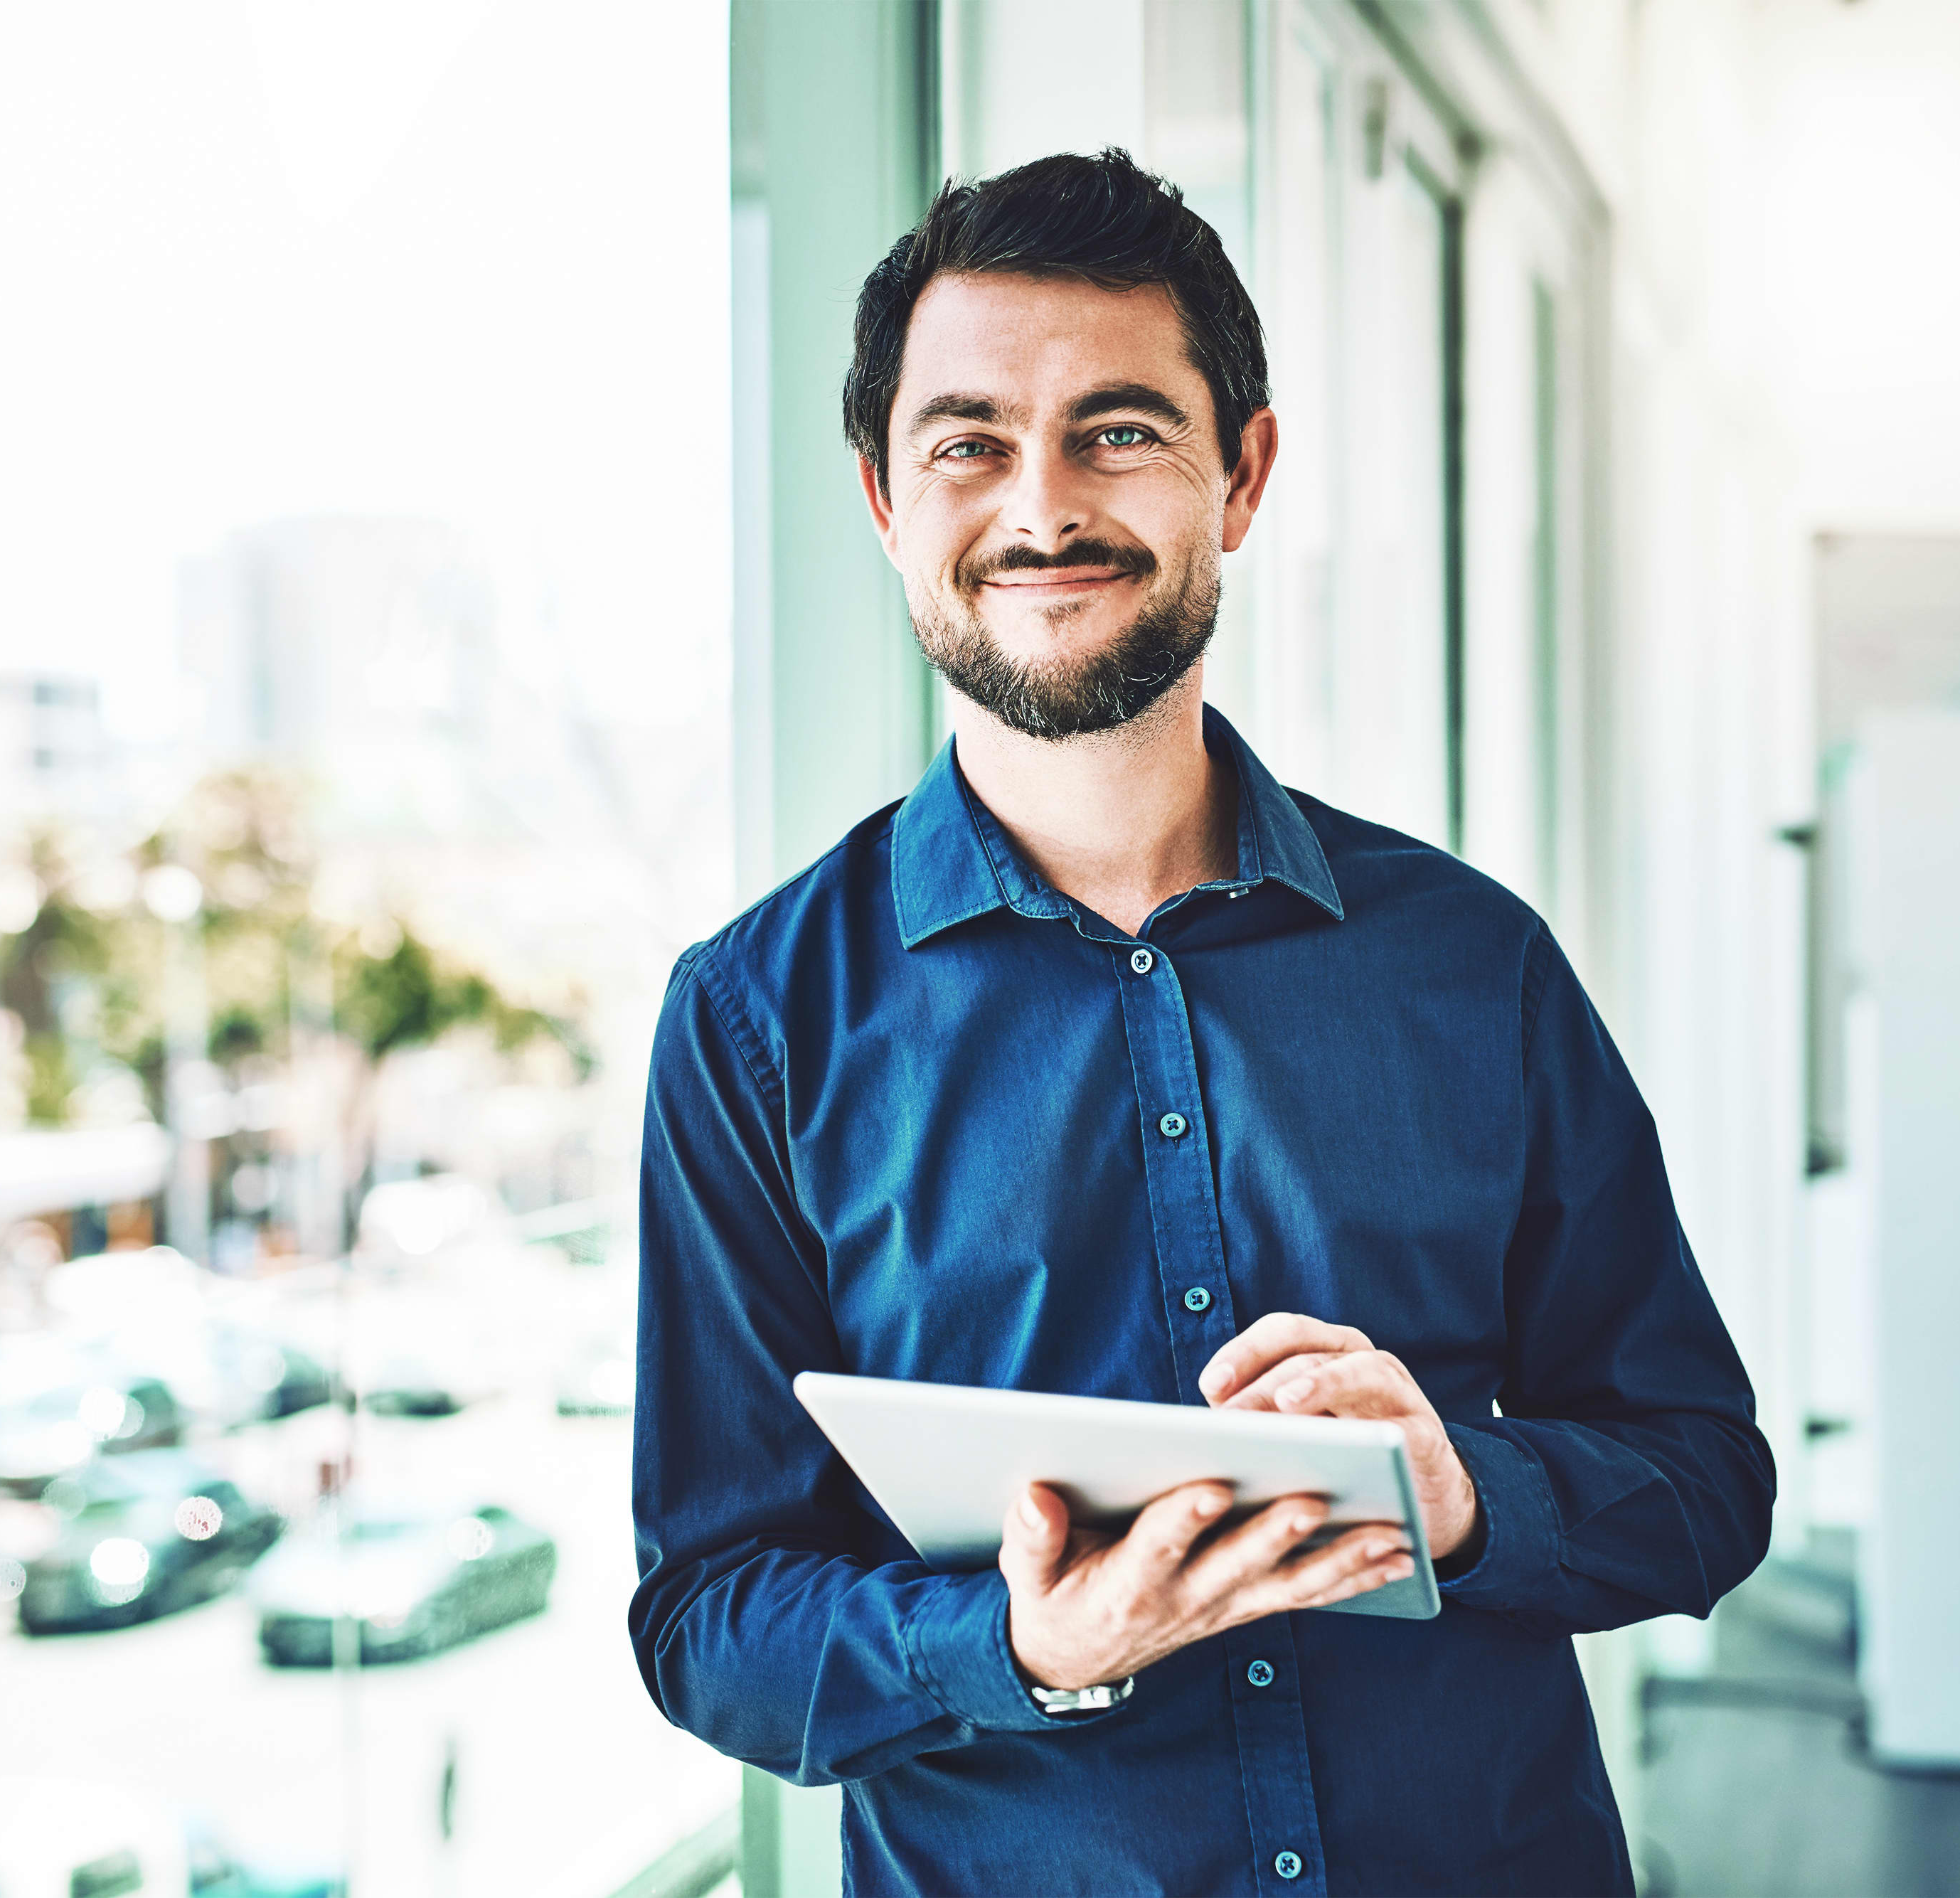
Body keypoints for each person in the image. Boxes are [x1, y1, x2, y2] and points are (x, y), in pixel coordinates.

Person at [629, 147, 1773, 1897]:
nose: (1038, 505)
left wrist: (1454, 1497)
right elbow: (708, 1613)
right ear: (882, 498)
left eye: (1115, 430)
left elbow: (1703, 1482)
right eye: (966, 444)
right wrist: (1012, 1645)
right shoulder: (753, 1021)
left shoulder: (1477, 965)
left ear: (1237, 475)